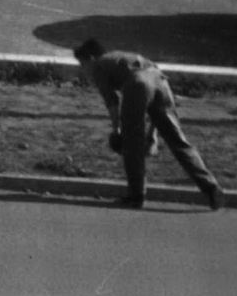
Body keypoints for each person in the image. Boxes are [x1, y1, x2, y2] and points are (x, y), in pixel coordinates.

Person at [73, 39, 224, 210]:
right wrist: (152, 134)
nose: (83, 69)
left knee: (131, 143)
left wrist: (117, 131)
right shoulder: (121, 57)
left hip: (137, 84)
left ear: (91, 58)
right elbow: (152, 101)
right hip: (160, 80)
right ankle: (211, 187)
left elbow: (112, 103)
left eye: (82, 63)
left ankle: (136, 195)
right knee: (177, 140)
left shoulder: (99, 66)